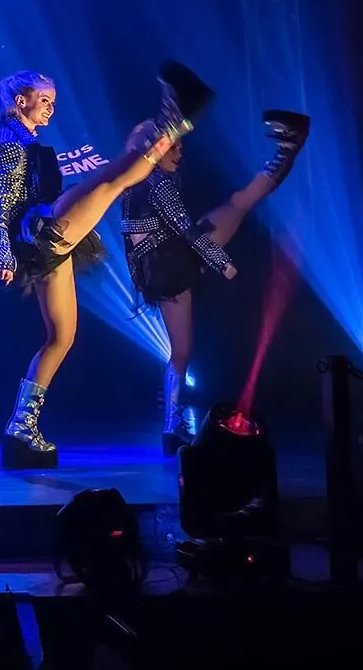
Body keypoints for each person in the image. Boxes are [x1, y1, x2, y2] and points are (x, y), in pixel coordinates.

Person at [0, 64, 211, 465]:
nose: (50, 108)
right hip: (41, 230)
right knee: (114, 180)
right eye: (44, 100)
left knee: (62, 337)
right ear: (20, 101)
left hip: (42, 239)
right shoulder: (12, 141)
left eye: (53, 102)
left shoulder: (15, 138)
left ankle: (20, 428)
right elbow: (0, 196)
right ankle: (174, 118)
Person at [122, 109, 310, 454]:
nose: (180, 154)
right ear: (155, 149)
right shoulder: (158, 183)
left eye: (181, 147)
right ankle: (289, 148)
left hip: (158, 273)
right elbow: (187, 231)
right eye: (173, 147)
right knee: (240, 202)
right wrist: (222, 263)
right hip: (173, 263)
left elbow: (132, 242)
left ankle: (172, 426)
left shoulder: (131, 184)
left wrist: (141, 283)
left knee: (181, 352)